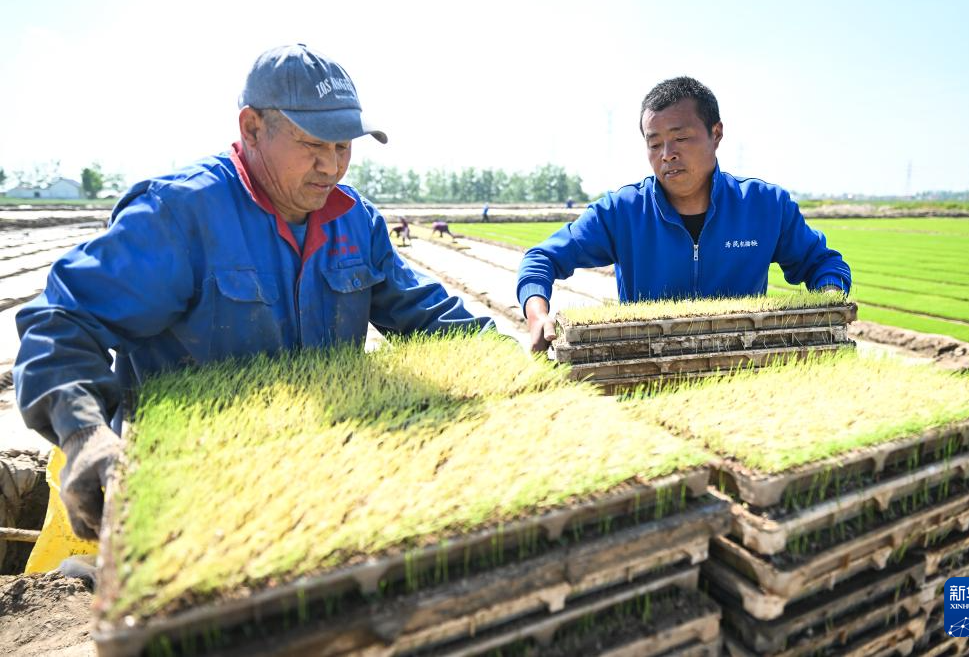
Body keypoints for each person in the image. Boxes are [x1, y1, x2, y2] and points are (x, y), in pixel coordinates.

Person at [13, 44, 492, 541]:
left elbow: (426, 313)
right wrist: (85, 433)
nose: (331, 166)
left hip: (320, 475)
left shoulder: (355, 219)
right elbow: (62, 320)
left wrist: (514, 361)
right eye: (313, 144)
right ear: (252, 128)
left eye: (344, 147)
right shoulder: (181, 214)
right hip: (188, 487)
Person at [517, 76, 851, 352]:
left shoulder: (765, 206)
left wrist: (830, 300)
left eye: (681, 138)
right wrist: (537, 316)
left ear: (716, 134)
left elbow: (823, 263)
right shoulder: (622, 212)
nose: (667, 155)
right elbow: (540, 259)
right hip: (646, 369)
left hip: (744, 369)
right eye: (654, 143)